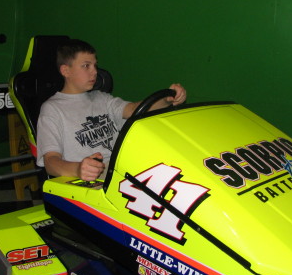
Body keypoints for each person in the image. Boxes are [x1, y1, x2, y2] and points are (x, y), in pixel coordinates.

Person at [36, 39, 187, 181]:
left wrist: (167, 99)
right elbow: (50, 162)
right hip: (90, 181)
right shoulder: (53, 109)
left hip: (120, 170)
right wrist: (78, 169)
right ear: (66, 71)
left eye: (95, 65)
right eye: (86, 66)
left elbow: (134, 109)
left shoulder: (101, 98)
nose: (94, 71)